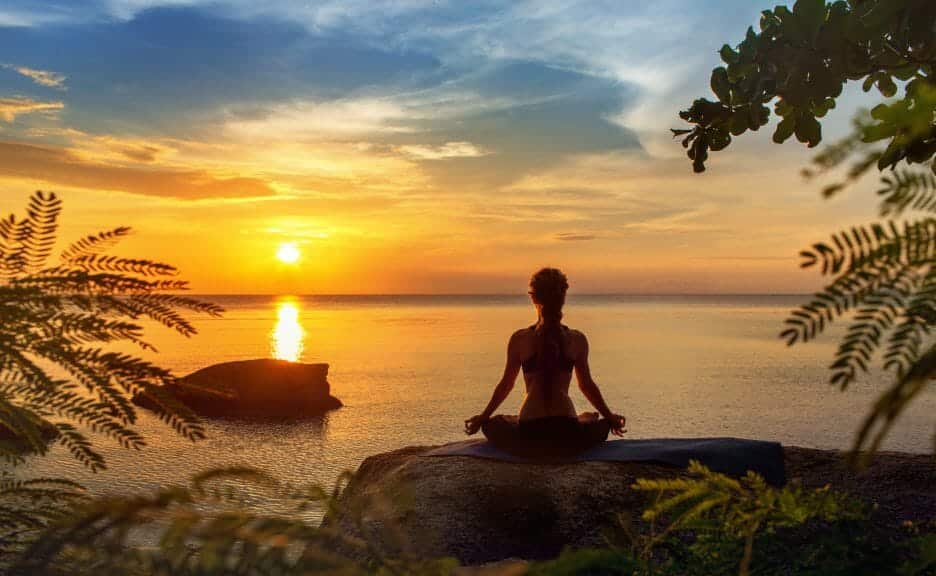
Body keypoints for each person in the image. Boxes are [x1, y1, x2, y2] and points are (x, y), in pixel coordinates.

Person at [464, 267, 626, 457]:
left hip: (529, 431)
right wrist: (610, 418)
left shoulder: (519, 339)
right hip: (567, 431)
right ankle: (583, 420)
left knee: (492, 425)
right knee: (601, 424)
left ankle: (523, 420)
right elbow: (587, 386)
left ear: (532, 297)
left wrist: (483, 417)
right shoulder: (577, 339)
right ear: (563, 297)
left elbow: (506, 385)